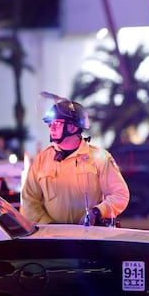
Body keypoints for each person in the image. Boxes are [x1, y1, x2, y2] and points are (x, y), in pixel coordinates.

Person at [21, 96, 129, 225]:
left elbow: (120, 194)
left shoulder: (100, 158)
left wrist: (97, 212)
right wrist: (48, 225)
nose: (51, 128)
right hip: (52, 239)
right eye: (50, 124)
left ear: (73, 127)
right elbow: (29, 199)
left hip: (89, 237)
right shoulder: (42, 159)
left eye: (57, 123)